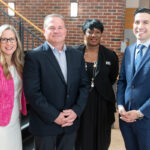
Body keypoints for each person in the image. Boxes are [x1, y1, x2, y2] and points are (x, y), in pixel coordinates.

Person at [23, 14, 89, 150]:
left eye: (60, 27)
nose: (56, 31)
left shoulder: (76, 55)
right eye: (51, 28)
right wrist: (55, 116)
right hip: (45, 124)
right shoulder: (33, 56)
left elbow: (84, 86)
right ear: (44, 31)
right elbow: (32, 92)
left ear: (65, 31)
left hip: (70, 123)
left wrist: (76, 111)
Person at [74, 19, 119, 150]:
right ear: (84, 33)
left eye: (97, 32)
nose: (94, 35)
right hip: (79, 103)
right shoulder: (74, 53)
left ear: (101, 34)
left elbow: (111, 78)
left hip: (102, 103)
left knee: (101, 137)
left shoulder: (110, 55)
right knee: (80, 136)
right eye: (90, 32)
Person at [117, 8, 150, 150]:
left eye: (146, 22)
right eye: (137, 22)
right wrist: (120, 106)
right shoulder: (129, 50)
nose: (140, 26)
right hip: (126, 120)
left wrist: (139, 112)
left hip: (147, 120)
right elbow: (123, 81)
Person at [0, 24, 27, 150]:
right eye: (4, 39)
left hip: (15, 118)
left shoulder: (18, 65)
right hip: (1, 123)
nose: (8, 43)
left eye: (12, 39)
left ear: (17, 41)